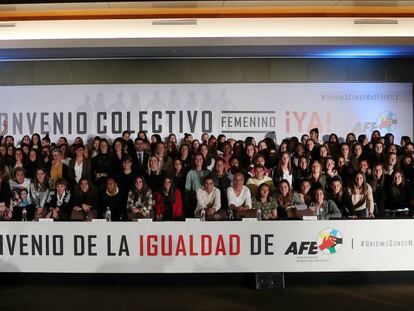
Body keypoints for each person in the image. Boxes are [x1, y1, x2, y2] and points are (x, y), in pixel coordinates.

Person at [184, 153, 210, 218]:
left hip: (206, 200)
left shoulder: (207, 172)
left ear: (203, 160)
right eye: (196, 159)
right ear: (194, 160)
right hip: (194, 200)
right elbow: (187, 190)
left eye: (200, 159)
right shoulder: (190, 173)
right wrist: (187, 205)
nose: (198, 160)